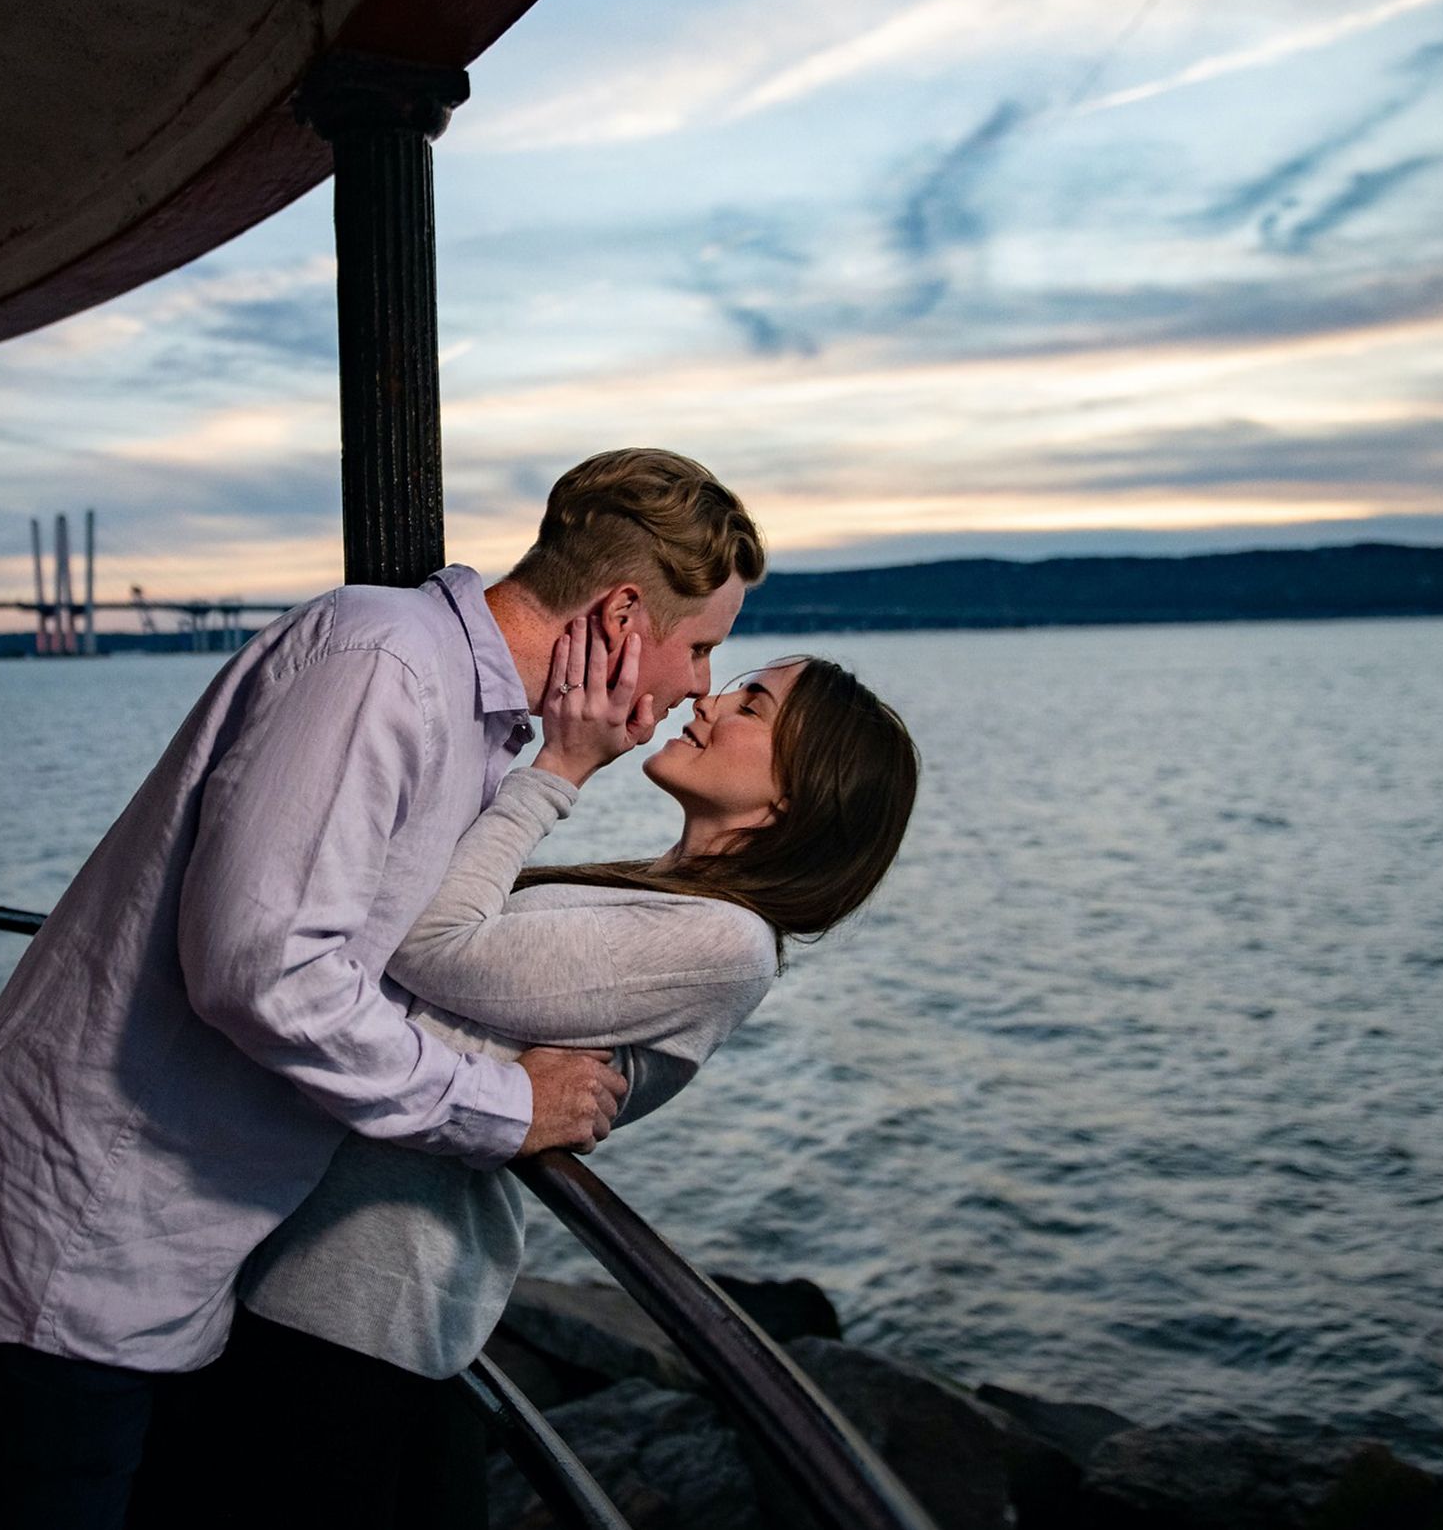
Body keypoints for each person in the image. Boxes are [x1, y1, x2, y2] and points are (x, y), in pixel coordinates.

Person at [0, 449, 766, 1529]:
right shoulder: (386, 663)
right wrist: (506, 1106)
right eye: (701, 645)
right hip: (80, 1238)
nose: (700, 683)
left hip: (162, 1249)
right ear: (621, 617)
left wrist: (557, 765)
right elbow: (262, 972)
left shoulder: (458, 710)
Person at [128, 621, 921, 1529]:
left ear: (793, 797)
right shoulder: (657, 895)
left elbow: (427, 941)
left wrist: (562, 766)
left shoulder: (725, 942)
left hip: (356, 1297)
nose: (708, 699)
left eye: (751, 704)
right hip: (299, 1256)